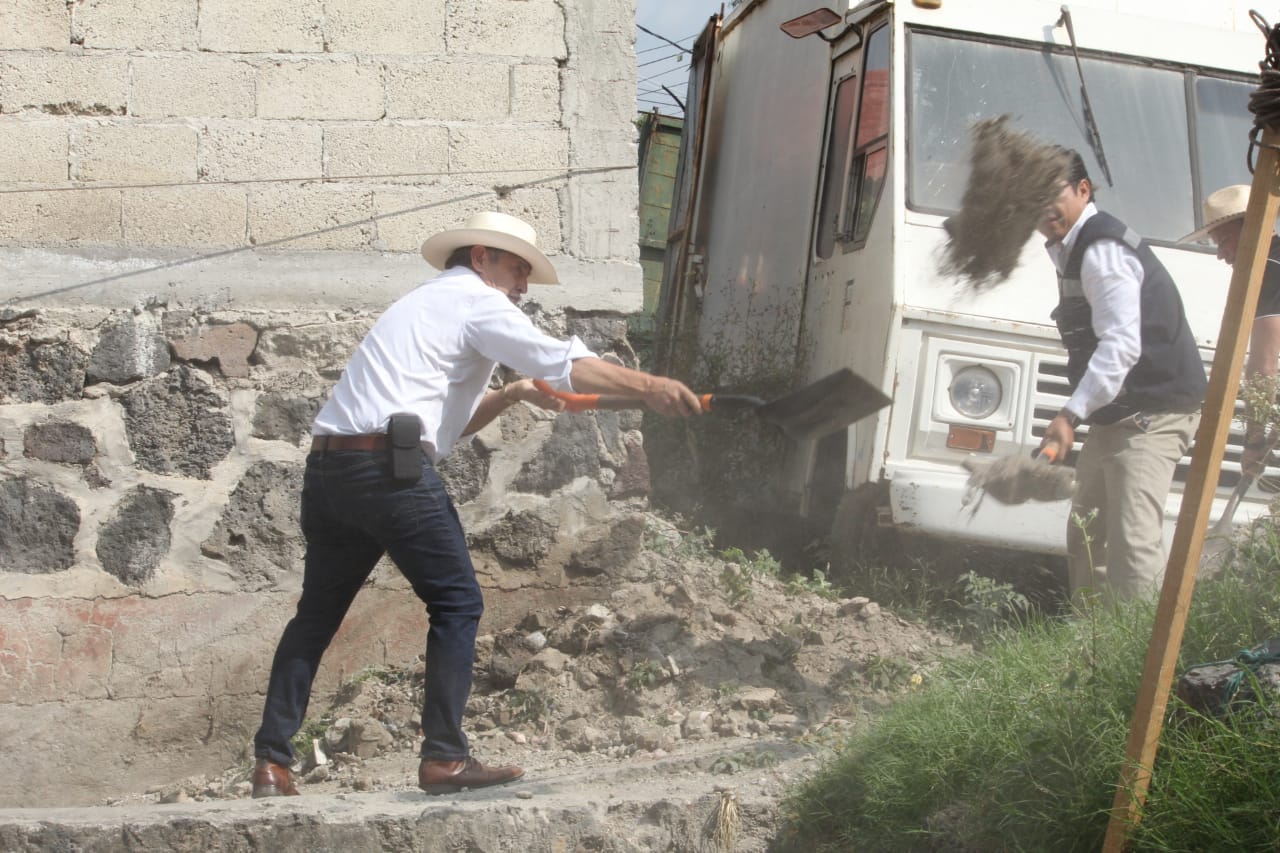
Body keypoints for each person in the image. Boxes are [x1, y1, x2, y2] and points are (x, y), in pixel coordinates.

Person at [251, 211, 701, 798]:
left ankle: (271, 763)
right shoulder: (477, 302)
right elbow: (563, 361)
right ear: (482, 256)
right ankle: (444, 758)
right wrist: (651, 386)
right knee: (458, 602)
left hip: (332, 469)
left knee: (315, 617)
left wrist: (512, 393)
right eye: (518, 269)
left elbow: (451, 426)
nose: (523, 286)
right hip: (390, 471)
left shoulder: (423, 306)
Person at [1037, 150, 1207, 601]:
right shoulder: (1068, 247)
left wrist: (1070, 415)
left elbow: (1120, 346)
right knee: (1089, 534)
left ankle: (1138, 664)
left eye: (1051, 192)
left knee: (1132, 545)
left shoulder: (1102, 251)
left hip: (1155, 413)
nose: (1042, 207)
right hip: (1119, 414)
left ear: (1083, 190)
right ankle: (1092, 650)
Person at [1179, 184, 1280, 487]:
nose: (1221, 255)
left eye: (1224, 241)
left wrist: (1254, 440)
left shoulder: (1269, 270)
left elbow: (1264, 367)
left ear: (1253, 229)